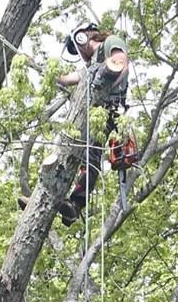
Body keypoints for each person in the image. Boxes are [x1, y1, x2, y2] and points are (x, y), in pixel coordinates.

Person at [55, 24, 130, 224]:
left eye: (77, 47)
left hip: (106, 111)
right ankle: (49, 195)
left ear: (82, 37)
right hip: (89, 113)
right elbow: (69, 78)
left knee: (90, 155)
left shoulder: (111, 43)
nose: (80, 53)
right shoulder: (90, 66)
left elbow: (120, 63)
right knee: (66, 148)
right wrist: (49, 73)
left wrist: (104, 84)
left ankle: (76, 204)